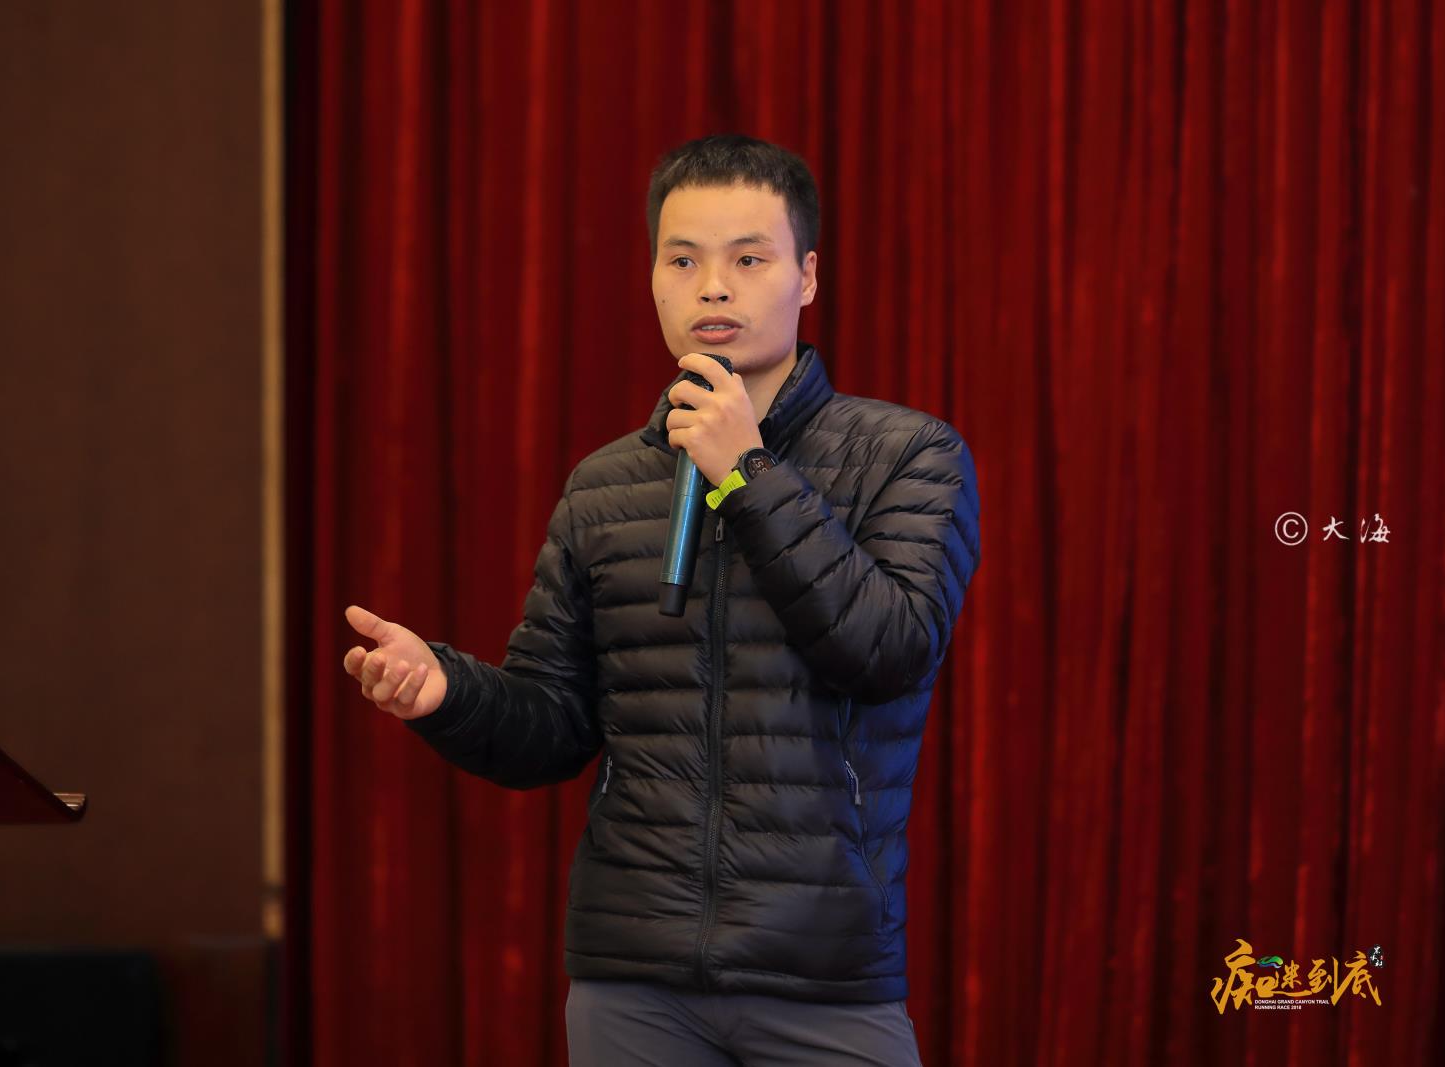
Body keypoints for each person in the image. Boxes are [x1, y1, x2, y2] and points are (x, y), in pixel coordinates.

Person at [342, 133, 980, 1066]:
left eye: (748, 260)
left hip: (824, 973)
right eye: (683, 261)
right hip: (632, 978)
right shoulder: (606, 485)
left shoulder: (910, 455)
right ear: (652, 279)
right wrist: (445, 691)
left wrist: (747, 471)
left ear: (806, 276)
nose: (712, 289)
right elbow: (554, 727)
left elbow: (887, 651)